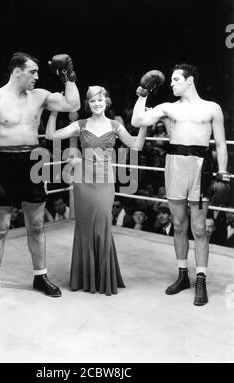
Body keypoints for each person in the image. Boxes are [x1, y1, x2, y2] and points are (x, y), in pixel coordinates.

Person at [0, 52, 80, 309]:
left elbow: (72, 105)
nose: (37, 76)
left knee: (36, 224)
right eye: (32, 72)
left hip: (33, 161)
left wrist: (69, 77)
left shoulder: (41, 96)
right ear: (17, 71)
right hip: (5, 163)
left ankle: (40, 276)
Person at [131, 64, 230, 305]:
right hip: (174, 165)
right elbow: (137, 121)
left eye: (176, 79)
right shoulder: (167, 107)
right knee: (178, 224)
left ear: (190, 81)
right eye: (172, 80)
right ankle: (182, 275)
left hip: (201, 167)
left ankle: (201, 279)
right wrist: (142, 95)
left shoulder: (211, 108)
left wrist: (223, 173)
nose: (172, 83)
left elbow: (220, 144)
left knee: (199, 229)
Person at [46, 85, 147, 295]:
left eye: (100, 99)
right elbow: (50, 136)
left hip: (105, 183)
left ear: (107, 101)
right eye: (92, 100)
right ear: (88, 104)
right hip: (83, 183)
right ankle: (85, 278)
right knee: (84, 228)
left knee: (102, 225)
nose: (97, 103)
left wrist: (144, 124)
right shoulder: (80, 125)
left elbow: (136, 146)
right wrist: (54, 111)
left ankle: (102, 278)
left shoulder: (115, 125)